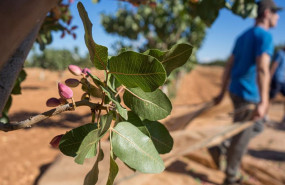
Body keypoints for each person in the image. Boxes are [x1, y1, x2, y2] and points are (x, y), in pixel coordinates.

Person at [210, 0, 282, 184]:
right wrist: (264, 101)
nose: (278, 17)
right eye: (276, 13)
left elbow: (229, 65)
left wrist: (221, 92)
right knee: (243, 137)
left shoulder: (242, 36)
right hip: (248, 95)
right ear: (266, 13)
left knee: (256, 127)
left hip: (235, 90)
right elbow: (263, 69)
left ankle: (223, 147)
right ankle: (231, 176)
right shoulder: (264, 37)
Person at [269, 47, 285, 123]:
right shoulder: (280, 53)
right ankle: (264, 115)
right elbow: (275, 64)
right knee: (271, 97)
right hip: (277, 79)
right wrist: (269, 77)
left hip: (283, 80)